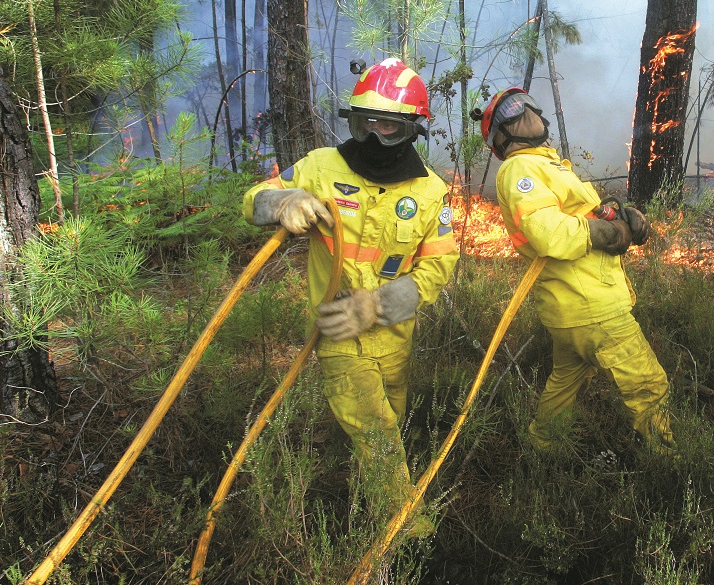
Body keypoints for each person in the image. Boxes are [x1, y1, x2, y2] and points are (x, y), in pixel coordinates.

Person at [243, 57, 459, 536]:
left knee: (389, 425)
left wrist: (378, 306)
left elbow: (439, 265)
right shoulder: (322, 167)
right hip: (338, 332)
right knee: (378, 433)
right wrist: (283, 201)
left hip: (395, 335)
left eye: (388, 127)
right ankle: (410, 534)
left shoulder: (431, 192)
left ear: (413, 130)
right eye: (364, 124)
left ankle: (366, 500)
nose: (372, 139)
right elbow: (255, 198)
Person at [473, 87, 674, 454]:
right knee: (648, 384)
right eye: (514, 115)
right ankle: (671, 462)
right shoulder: (521, 168)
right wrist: (607, 233)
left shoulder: (547, 165)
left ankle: (544, 448)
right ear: (500, 137)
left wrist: (624, 220)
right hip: (590, 305)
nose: (526, 116)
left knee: (568, 379)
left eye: (528, 108)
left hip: (574, 303)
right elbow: (548, 232)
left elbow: (584, 216)